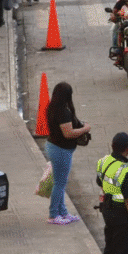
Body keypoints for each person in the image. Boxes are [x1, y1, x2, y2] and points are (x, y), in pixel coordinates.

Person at [46, 82, 89, 224]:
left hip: (55, 147)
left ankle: (63, 212)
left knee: (61, 182)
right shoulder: (62, 111)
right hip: (61, 150)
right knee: (59, 183)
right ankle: (53, 215)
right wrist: (85, 129)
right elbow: (68, 133)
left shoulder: (52, 107)